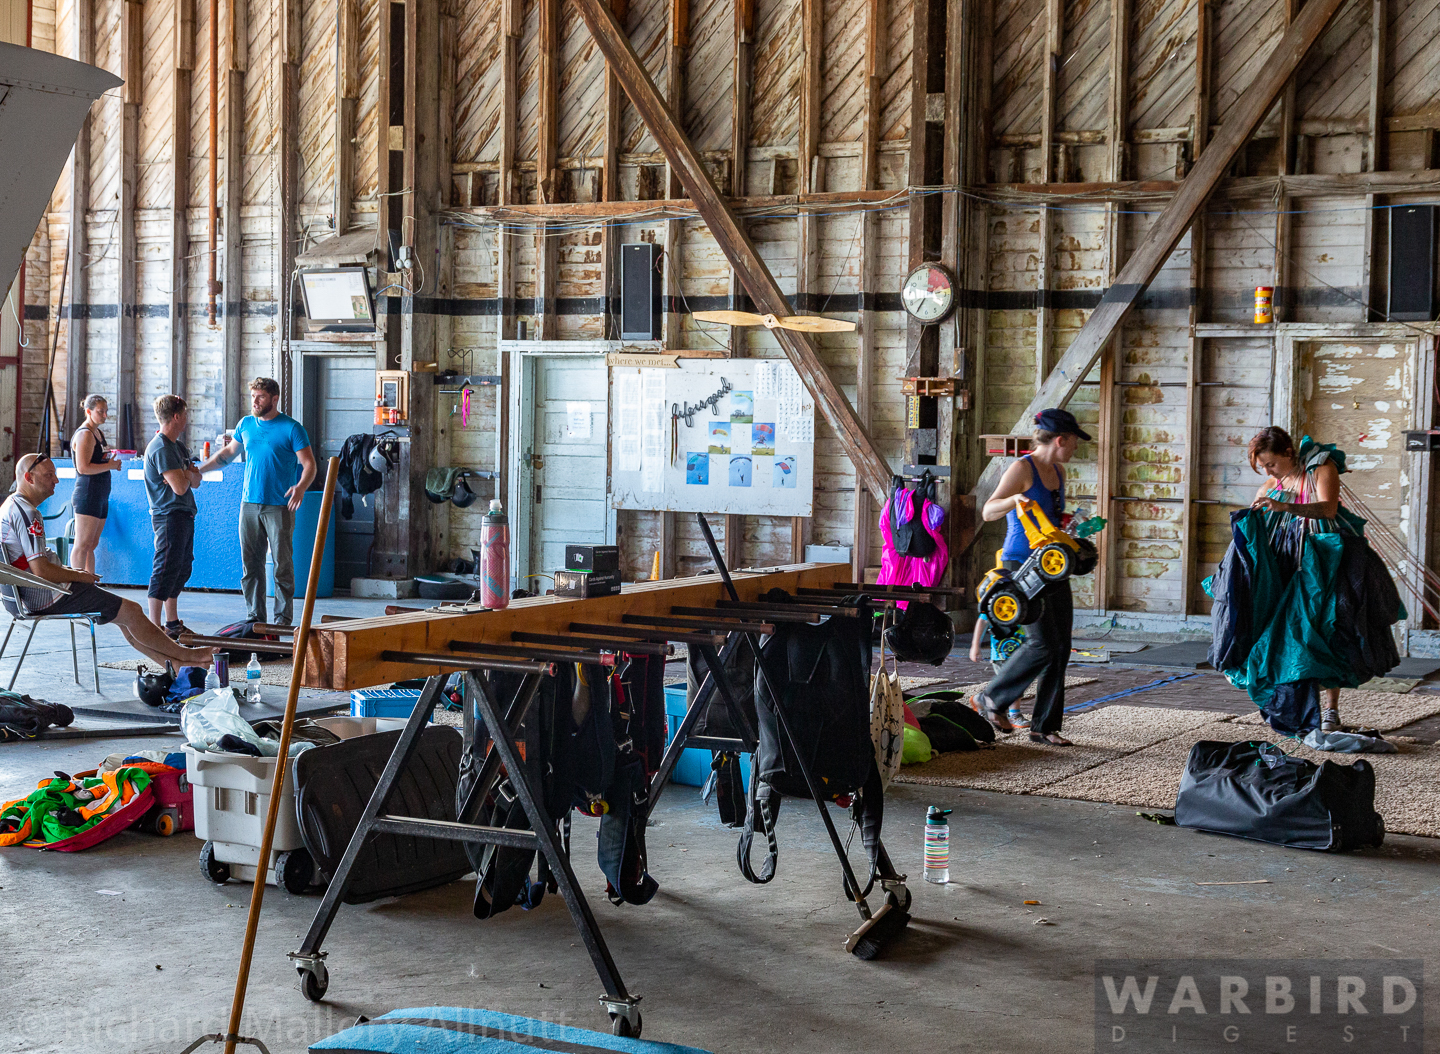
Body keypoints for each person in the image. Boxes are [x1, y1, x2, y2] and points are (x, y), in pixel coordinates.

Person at [0, 453, 215, 669]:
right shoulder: (27, 513)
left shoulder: (10, 505)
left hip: (19, 598)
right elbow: (41, 570)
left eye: (55, 474)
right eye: (49, 475)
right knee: (131, 612)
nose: (56, 480)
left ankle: (175, 665)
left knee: (124, 618)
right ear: (28, 478)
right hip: (44, 595)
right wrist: (80, 575)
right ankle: (189, 657)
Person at [973, 408, 1088, 745]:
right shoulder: (1022, 468)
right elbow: (988, 510)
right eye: (1074, 443)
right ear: (1060, 439)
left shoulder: (1059, 471)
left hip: (1052, 565)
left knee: (1061, 646)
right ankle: (990, 697)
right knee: (1041, 643)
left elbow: (1050, 518)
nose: (1075, 449)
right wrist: (1013, 498)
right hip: (1020, 567)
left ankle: (1044, 727)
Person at [1248, 426, 1347, 732]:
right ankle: (1294, 700)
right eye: (1262, 466)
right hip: (1286, 558)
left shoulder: (1321, 467)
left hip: (1321, 558)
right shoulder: (1271, 484)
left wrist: (1285, 505)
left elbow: (1329, 508)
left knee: (1324, 627)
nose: (1268, 471)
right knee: (1286, 630)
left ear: (1289, 453)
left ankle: (1331, 709)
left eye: (1272, 464)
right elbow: (1260, 515)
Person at [198, 377, 316, 627]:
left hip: (278, 506)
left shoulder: (292, 428)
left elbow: (309, 465)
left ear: (274, 399)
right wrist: (199, 470)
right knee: (250, 563)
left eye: (260, 396)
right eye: (253, 396)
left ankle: (282, 619)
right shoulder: (246, 424)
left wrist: (301, 487)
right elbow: (228, 455)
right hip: (249, 504)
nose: (255, 401)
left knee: (282, 565)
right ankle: (255, 617)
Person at [144, 394, 201, 637]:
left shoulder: (178, 447)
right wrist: (187, 475)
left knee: (182, 567)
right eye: (185, 414)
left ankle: (172, 623)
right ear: (176, 417)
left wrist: (186, 475)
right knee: (165, 567)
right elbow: (180, 486)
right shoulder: (161, 447)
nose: (187, 419)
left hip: (184, 513)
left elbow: (195, 481)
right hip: (168, 515)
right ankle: (153, 627)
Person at [68, 394, 124, 574]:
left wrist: (109, 462)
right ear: (88, 411)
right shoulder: (85, 434)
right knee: (82, 543)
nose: (105, 415)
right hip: (87, 493)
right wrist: (110, 465)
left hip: (100, 493)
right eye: (101, 412)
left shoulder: (97, 433)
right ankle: (76, 585)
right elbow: (83, 468)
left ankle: (89, 582)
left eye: (106, 411)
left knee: (92, 544)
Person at [968, 616, 1030, 730]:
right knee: (1013, 683)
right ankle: (1014, 715)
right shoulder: (996, 601)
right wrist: (975, 646)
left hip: (1023, 653)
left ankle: (981, 700)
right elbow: (982, 620)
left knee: (1017, 683)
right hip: (1002, 655)